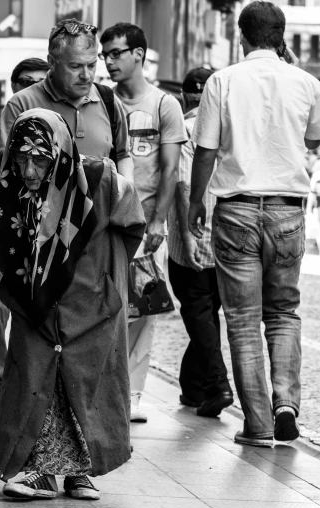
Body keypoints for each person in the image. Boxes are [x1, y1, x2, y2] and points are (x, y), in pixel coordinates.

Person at [0, 108, 145, 500]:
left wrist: (108, 276)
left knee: (83, 385)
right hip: (31, 299)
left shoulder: (99, 177)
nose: (30, 171)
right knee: (36, 380)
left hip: (88, 302)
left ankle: (79, 472)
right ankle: (38, 469)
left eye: (41, 160)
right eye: (22, 158)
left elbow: (132, 223)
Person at [189, 1, 318, 447]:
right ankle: (286, 404)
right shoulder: (307, 83)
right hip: (288, 210)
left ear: (240, 35)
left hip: (237, 210)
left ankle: (259, 426)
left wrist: (194, 203)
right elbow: (314, 139)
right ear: (281, 36)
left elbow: (205, 149)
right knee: (283, 313)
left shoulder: (223, 81)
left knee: (242, 321)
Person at [100, 22, 186, 423]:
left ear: (138, 54)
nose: (109, 61)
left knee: (143, 309)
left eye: (116, 53)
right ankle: (103, 385)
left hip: (146, 225)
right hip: (106, 223)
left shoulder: (163, 104)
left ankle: (132, 393)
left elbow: (170, 171)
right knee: (106, 304)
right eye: (106, 55)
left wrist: (156, 223)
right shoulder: (102, 101)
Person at [0, 57, 49, 413]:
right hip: (2, 231)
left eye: (39, 81)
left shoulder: (54, 133)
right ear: (14, 85)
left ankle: (26, 386)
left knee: (33, 314)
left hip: (43, 238)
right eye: (25, 81)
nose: (31, 87)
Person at [167, 68, 234, 418]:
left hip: (192, 240)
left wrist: (188, 234)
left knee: (198, 312)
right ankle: (193, 388)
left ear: (184, 98)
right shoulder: (229, 129)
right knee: (207, 314)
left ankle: (218, 385)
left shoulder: (188, 130)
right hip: (229, 237)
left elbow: (181, 184)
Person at [0, 19, 132, 181]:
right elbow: (2, 169)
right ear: (52, 62)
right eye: (75, 66)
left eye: (91, 65)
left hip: (100, 206)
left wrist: (125, 195)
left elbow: (123, 155)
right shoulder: (21, 104)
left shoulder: (109, 101)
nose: (86, 75)